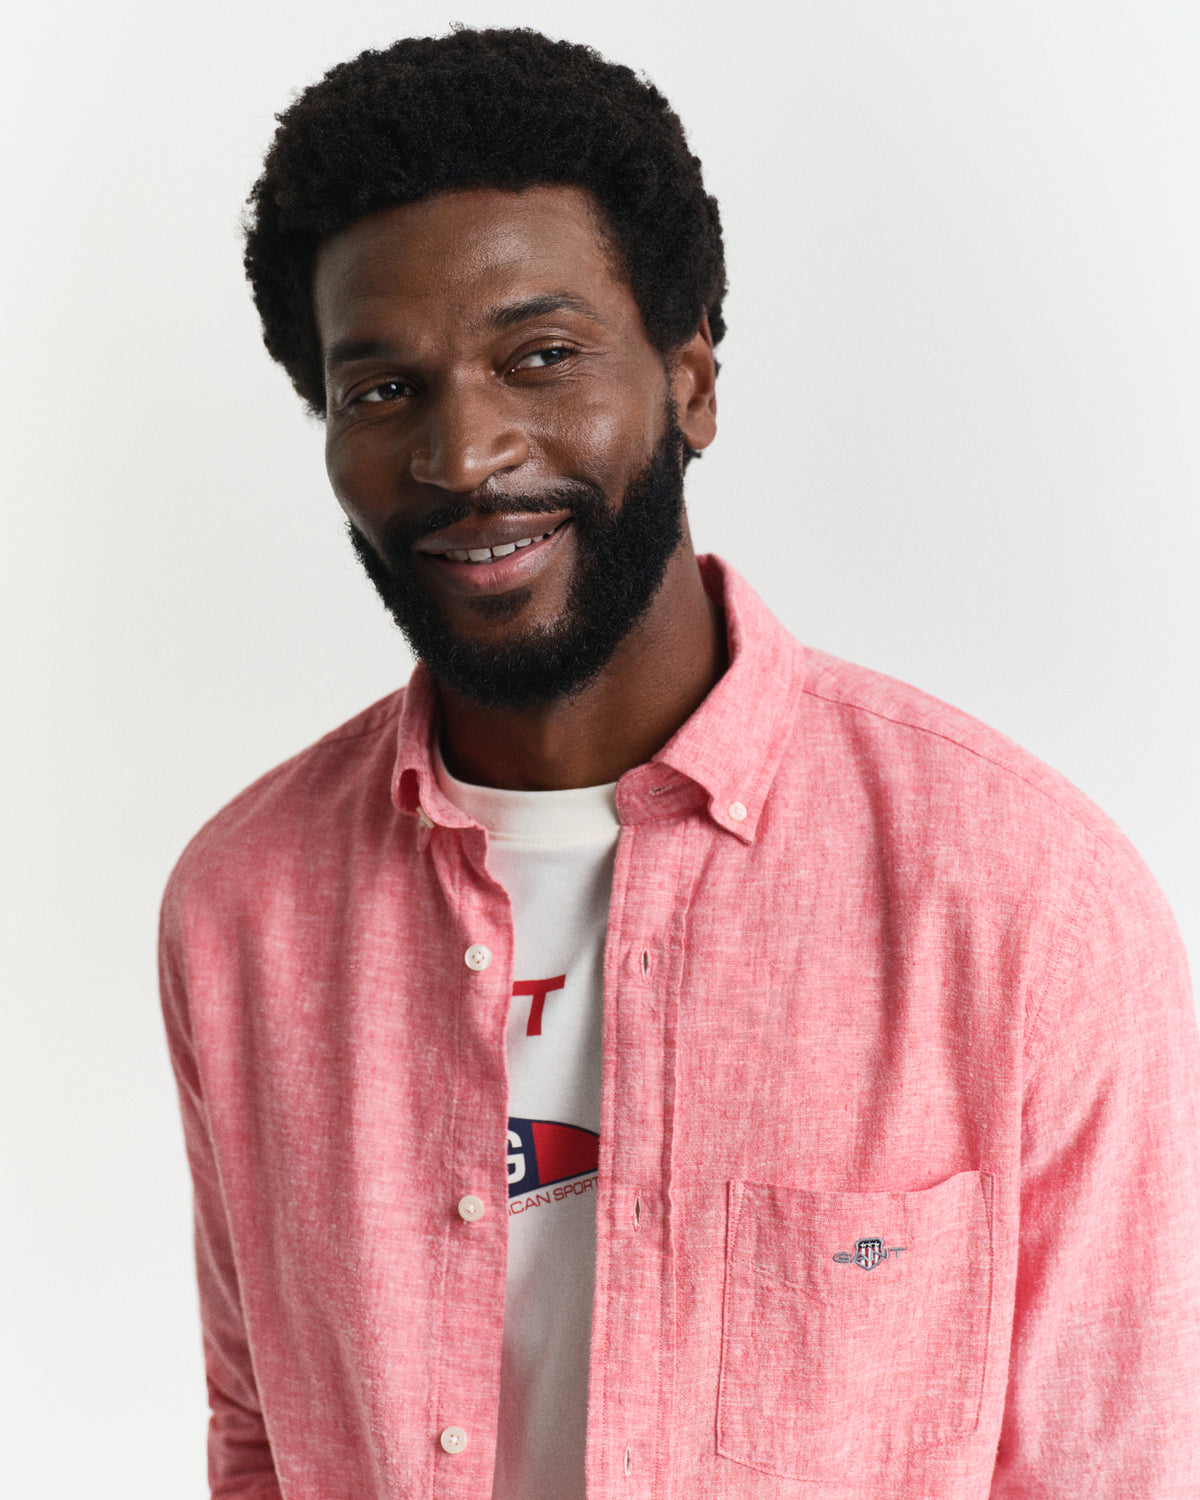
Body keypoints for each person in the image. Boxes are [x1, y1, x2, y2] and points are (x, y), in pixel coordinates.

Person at [159, 27, 1200, 1499]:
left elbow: (1119, 1467)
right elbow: (260, 1431)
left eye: (542, 356)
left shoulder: (1026, 904)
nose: (465, 453)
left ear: (691, 381)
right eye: (384, 389)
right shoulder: (242, 909)